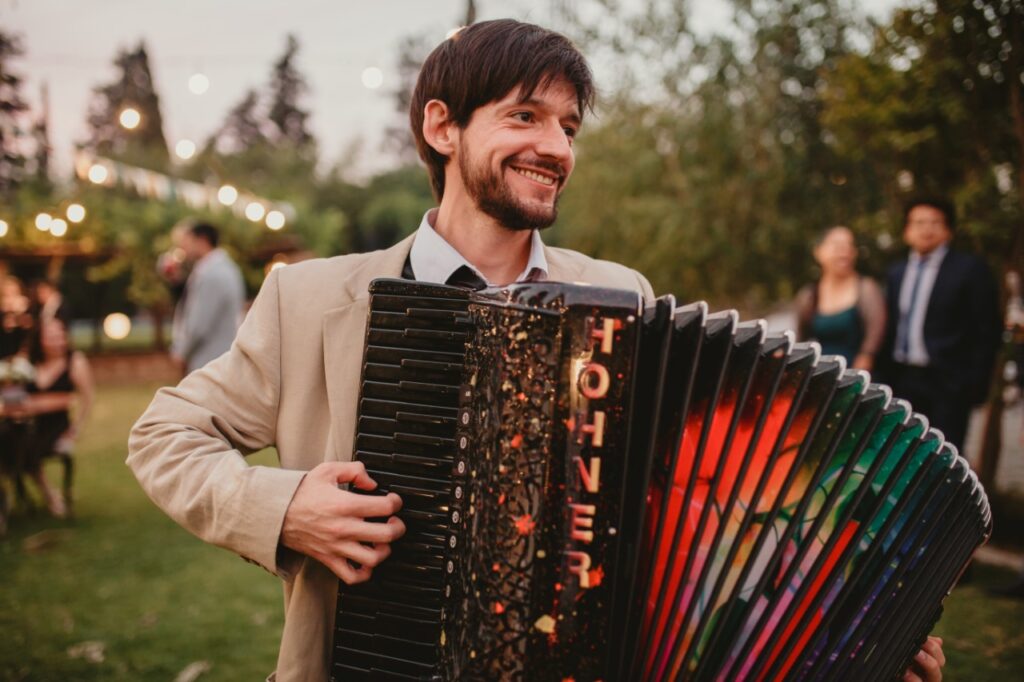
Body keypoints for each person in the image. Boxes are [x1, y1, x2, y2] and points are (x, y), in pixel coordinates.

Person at [128, 20, 944, 682]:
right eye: (525, 116)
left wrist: (849, 636)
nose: (557, 147)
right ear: (441, 127)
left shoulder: (622, 298)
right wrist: (284, 510)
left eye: (568, 126)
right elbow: (163, 435)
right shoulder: (310, 300)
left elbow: (697, 511)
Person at [876, 198, 1001, 452]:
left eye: (935, 222)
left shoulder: (969, 269)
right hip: (903, 379)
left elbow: (987, 329)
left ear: (948, 230)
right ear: (906, 231)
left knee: (943, 457)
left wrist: (975, 384)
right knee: (902, 455)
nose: (927, 229)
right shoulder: (896, 272)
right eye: (919, 222)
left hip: (948, 382)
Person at [24, 317, 94, 517]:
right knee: (11, 440)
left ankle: (50, 495)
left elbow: (87, 398)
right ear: (40, 340)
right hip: (29, 422)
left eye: (60, 335)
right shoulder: (30, 362)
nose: (57, 340)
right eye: (51, 336)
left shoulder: (75, 361)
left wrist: (76, 428)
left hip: (57, 425)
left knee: (25, 450)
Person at [795, 226, 886, 370]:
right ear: (818, 252)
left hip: (858, 373)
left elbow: (876, 332)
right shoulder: (809, 295)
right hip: (822, 372)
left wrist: (866, 358)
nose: (844, 252)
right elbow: (801, 340)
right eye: (837, 246)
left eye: (849, 246)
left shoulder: (866, 288)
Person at [169, 222, 245, 374]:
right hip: (216, 358)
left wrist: (181, 351)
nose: (182, 247)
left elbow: (199, 324)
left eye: (186, 241)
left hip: (210, 359)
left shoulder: (213, 273)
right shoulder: (222, 268)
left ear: (202, 240)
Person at [1, 275, 33, 359]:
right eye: (6, 292)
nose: (10, 295)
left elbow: (28, 327)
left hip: (20, 349)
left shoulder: (26, 306)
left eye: (13, 292)